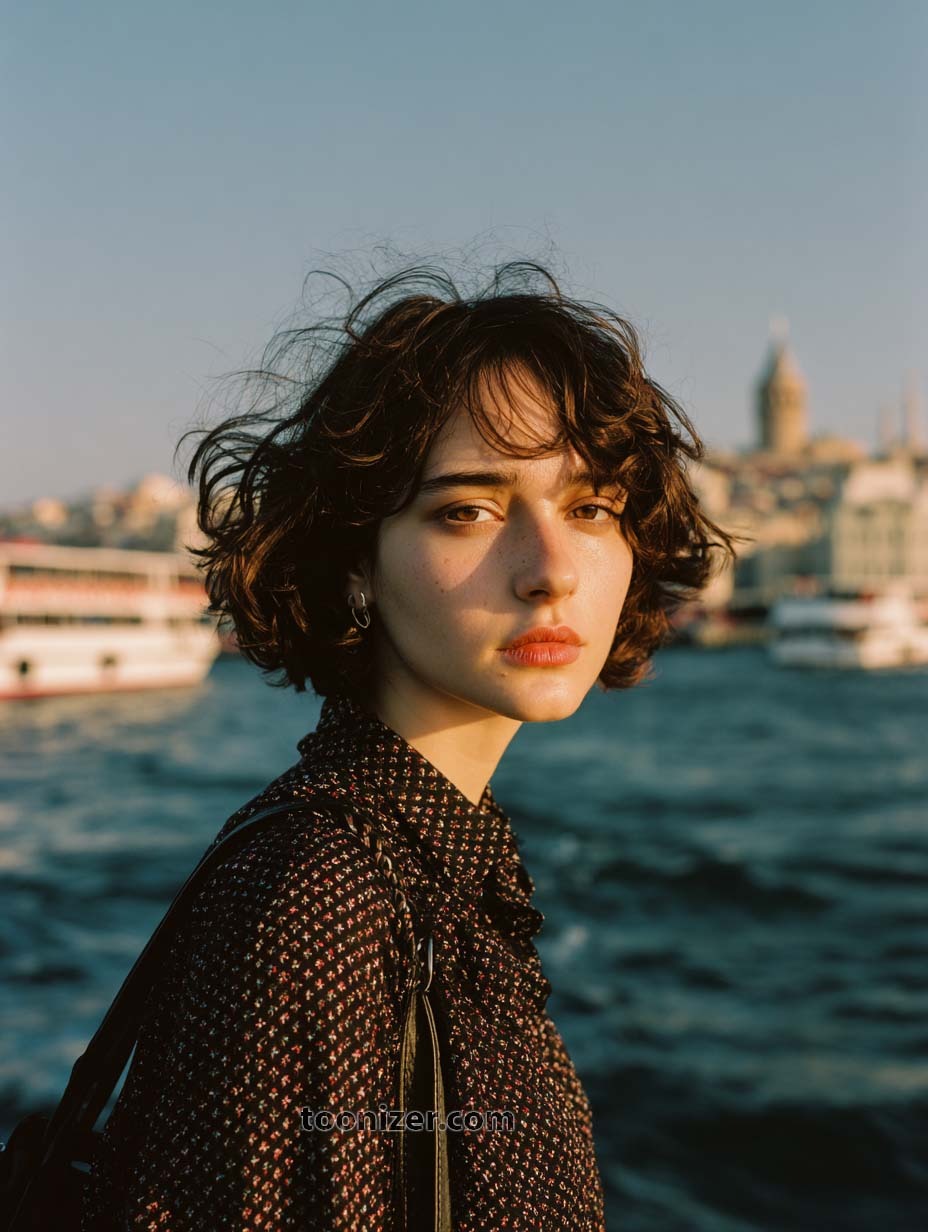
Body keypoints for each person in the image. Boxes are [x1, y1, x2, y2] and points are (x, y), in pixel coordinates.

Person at [81, 258, 736, 1230]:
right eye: (467, 508)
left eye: (591, 506)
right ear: (356, 559)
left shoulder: (422, 860)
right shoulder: (325, 892)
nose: (551, 569)